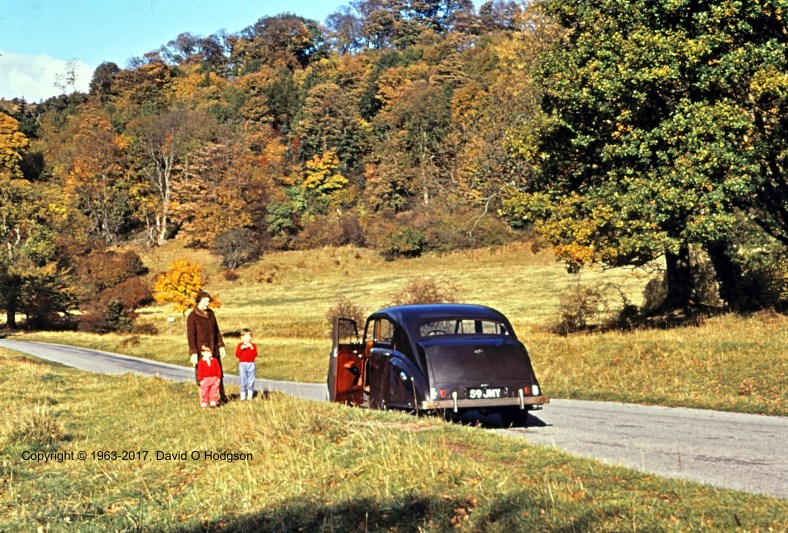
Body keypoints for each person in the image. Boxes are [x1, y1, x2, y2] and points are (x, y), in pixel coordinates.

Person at [186, 291, 227, 403]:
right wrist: (193, 352)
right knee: (201, 377)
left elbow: (216, 331)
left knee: (218, 373)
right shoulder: (192, 316)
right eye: (204, 301)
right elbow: (190, 336)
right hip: (201, 351)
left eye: (208, 301)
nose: (206, 304)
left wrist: (221, 346)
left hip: (214, 349)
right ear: (199, 301)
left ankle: (222, 397)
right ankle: (204, 401)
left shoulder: (211, 313)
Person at [235, 328, 258, 400]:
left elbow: (255, 354)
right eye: (246, 337)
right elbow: (237, 355)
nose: (248, 338)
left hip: (251, 364)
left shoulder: (253, 345)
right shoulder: (240, 345)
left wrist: (251, 348)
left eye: (250, 336)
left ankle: (250, 394)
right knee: (243, 379)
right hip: (242, 364)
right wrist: (241, 349)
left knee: (251, 379)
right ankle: (243, 395)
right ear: (242, 337)